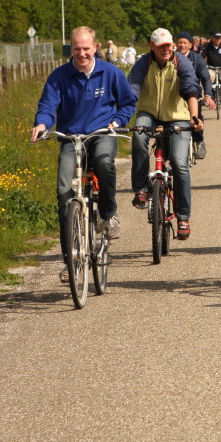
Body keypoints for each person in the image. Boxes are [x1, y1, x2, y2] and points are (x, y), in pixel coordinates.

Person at [30, 26, 137, 276]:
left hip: (102, 133)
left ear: (95, 47)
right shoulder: (59, 76)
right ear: (72, 49)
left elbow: (127, 103)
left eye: (86, 48)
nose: (82, 53)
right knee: (64, 192)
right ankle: (70, 262)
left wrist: (117, 122)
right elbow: (48, 104)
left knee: (103, 161)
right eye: (77, 49)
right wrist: (42, 123)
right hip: (71, 137)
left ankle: (108, 214)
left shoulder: (110, 73)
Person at [127, 28, 203, 241]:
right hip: (149, 112)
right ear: (152, 46)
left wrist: (194, 118)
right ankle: (141, 188)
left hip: (177, 115)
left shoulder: (181, 62)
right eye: (161, 46)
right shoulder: (143, 63)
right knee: (139, 136)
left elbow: (191, 90)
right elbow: (132, 89)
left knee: (179, 163)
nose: (166, 49)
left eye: (169, 45)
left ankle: (183, 217)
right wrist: (122, 114)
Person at [175, 31, 215, 159]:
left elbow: (205, 78)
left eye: (184, 43)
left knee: (197, 116)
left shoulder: (197, 59)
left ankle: (199, 142)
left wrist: (208, 95)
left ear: (190, 45)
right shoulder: (171, 57)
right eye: (179, 42)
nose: (181, 45)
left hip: (193, 93)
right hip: (174, 94)